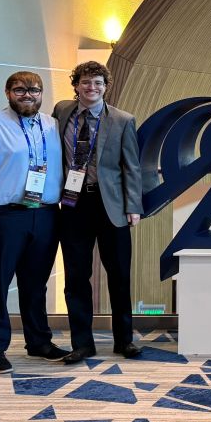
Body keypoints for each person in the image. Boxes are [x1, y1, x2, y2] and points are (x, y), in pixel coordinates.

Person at [0, 71, 69, 372]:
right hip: (2, 217)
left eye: (34, 90)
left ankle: (39, 342)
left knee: (36, 285)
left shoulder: (51, 124)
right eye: (20, 90)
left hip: (45, 214)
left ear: (42, 94)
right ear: (7, 92)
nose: (28, 95)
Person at [55, 62, 143, 364]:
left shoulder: (122, 120)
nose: (91, 88)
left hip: (112, 207)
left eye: (97, 83)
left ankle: (124, 341)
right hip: (72, 204)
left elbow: (131, 166)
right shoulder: (61, 112)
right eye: (85, 82)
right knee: (76, 276)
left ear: (106, 86)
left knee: (118, 275)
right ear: (76, 85)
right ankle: (82, 343)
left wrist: (134, 206)